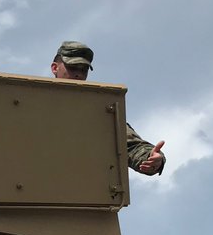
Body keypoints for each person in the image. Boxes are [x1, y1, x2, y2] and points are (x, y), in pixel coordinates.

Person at [50, 41, 166, 176]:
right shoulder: (33, 102)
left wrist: (152, 158)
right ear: (55, 68)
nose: (78, 74)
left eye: (83, 70)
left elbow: (131, 146)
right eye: (73, 68)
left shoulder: (97, 112)